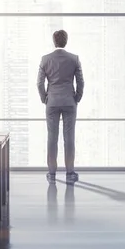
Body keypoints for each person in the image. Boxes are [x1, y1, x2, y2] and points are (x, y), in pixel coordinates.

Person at [36, 30, 84, 184]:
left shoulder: (45, 60)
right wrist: (76, 98)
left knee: (52, 137)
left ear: (54, 41)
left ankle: (51, 174)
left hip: (52, 102)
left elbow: (39, 83)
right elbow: (81, 82)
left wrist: (45, 98)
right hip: (69, 101)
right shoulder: (74, 59)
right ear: (66, 41)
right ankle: (70, 173)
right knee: (69, 137)